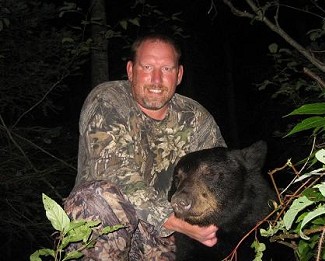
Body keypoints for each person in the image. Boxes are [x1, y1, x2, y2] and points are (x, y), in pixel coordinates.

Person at [64, 33, 226, 260]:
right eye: (147, 67)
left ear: (179, 75)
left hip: (170, 239)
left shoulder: (196, 118)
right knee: (96, 197)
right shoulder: (108, 100)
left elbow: (222, 175)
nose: (157, 80)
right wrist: (178, 222)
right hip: (113, 224)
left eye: (167, 69)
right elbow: (115, 173)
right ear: (131, 71)